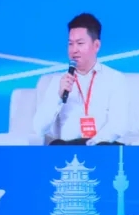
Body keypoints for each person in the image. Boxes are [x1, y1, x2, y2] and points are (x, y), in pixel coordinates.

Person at [34, 13, 128, 145]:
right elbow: (39, 128)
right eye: (70, 44)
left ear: (96, 46)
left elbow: (118, 125)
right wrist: (58, 96)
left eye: (80, 43)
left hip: (102, 146)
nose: (74, 50)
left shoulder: (115, 79)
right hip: (68, 148)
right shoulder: (59, 81)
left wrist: (91, 145)